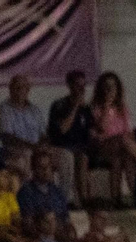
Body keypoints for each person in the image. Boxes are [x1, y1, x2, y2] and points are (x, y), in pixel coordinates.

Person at [91, 72, 136, 208]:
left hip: (121, 148)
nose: (110, 90)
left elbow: (130, 133)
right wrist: (106, 105)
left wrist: (127, 142)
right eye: (107, 87)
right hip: (103, 145)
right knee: (122, 139)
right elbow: (102, 129)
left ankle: (132, 198)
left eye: (113, 87)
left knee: (127, 158)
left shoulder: (122, 108)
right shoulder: (96, 107)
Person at [48, 71, 94, 207]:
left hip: (81, 147)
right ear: (69, 85)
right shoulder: (59, 105)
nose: (81, 89)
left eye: (83, 85)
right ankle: (66, 200)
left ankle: (83, 200)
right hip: (61, 146)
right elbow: (62, 129)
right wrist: (74, 107)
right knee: (69, 156)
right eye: (78, 85)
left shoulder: (86, 108)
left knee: (83, 157)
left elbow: (90, 131)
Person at [0, 75, 47, 175]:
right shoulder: (4, 109)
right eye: (17, 88)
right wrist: (32, 147)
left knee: (64, 156)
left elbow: (43, 133)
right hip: (14, 150)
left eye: (24, 88)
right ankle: (27, 190)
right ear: (10, 89)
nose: (20, 91)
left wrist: (42, 146)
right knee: (26, 155)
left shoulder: (34, 109)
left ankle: (57, 190)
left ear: (28, 90)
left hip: (36, 148)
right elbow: (7, 137)